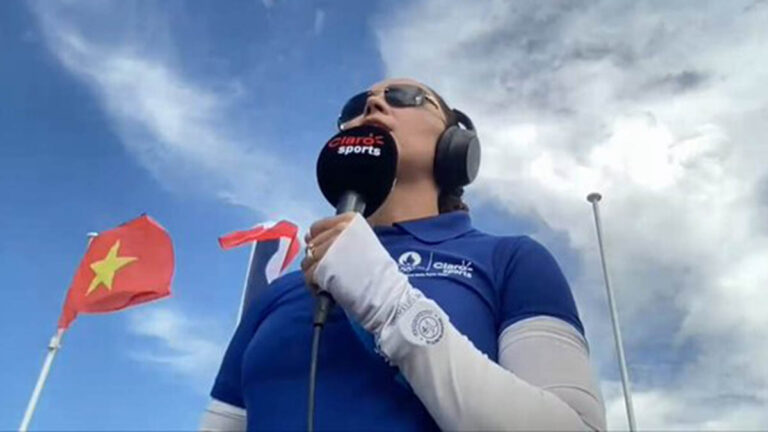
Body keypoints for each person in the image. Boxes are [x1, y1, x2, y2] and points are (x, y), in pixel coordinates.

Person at [200, 78, 606, 431]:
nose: (373, 105)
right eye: (356, 107)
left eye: (406, 97)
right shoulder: (275, 296)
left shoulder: (512, 260)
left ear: (455, 146)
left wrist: (387, 300)